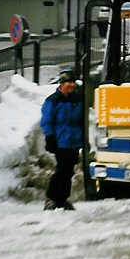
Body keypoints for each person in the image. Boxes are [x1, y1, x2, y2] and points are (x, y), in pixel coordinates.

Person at [40, 70, 83, 211]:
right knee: (62, 170)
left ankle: (62, 199)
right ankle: (51, 198)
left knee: (69, 171)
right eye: (68, 82)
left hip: (74, 141)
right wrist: (50, 137)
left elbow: (81, 120)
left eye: (72, 82)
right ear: (61, 84)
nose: (71, 85)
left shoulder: (77, 99)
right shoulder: (53, 100)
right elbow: (47, 121)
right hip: (61, 141)